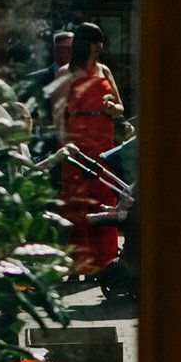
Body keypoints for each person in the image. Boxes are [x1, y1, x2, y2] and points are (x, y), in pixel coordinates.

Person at [56, 22, 129, 277]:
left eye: (101, 43)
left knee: (103, 200)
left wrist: (112, 109)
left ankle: (103, 263)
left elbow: (121, 109)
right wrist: (65, 145)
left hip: (102, 137)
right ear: (84, 44)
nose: (99, 47)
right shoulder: (65, 73)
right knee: (77, 202)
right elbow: (58, 115)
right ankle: (76, 265)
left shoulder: (105, 70)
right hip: (78, 139)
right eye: (95, 42)